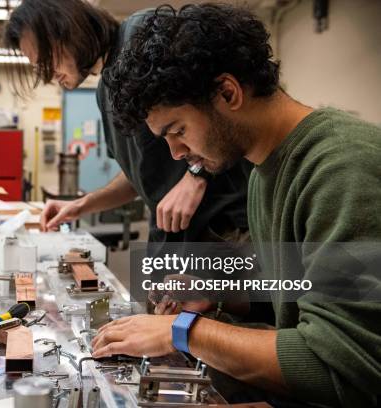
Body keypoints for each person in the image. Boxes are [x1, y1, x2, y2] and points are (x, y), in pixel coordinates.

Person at [91, 4, 381, 407]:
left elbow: (346, 367)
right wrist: (218, 292)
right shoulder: (262, 171)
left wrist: (184, 329)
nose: (175, 153)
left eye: (178, 130)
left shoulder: (342, 168)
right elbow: (300, 289)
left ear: (228, 92)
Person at [4, 0, 252, 263]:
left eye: (46, 59)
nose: (48, 76)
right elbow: (139, 174)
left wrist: (196, 173)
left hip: (224, 233)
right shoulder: (105, 92)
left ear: (65, 28)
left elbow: (219, 103)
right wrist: (80, 206)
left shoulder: (142, 34)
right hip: (176, 241)